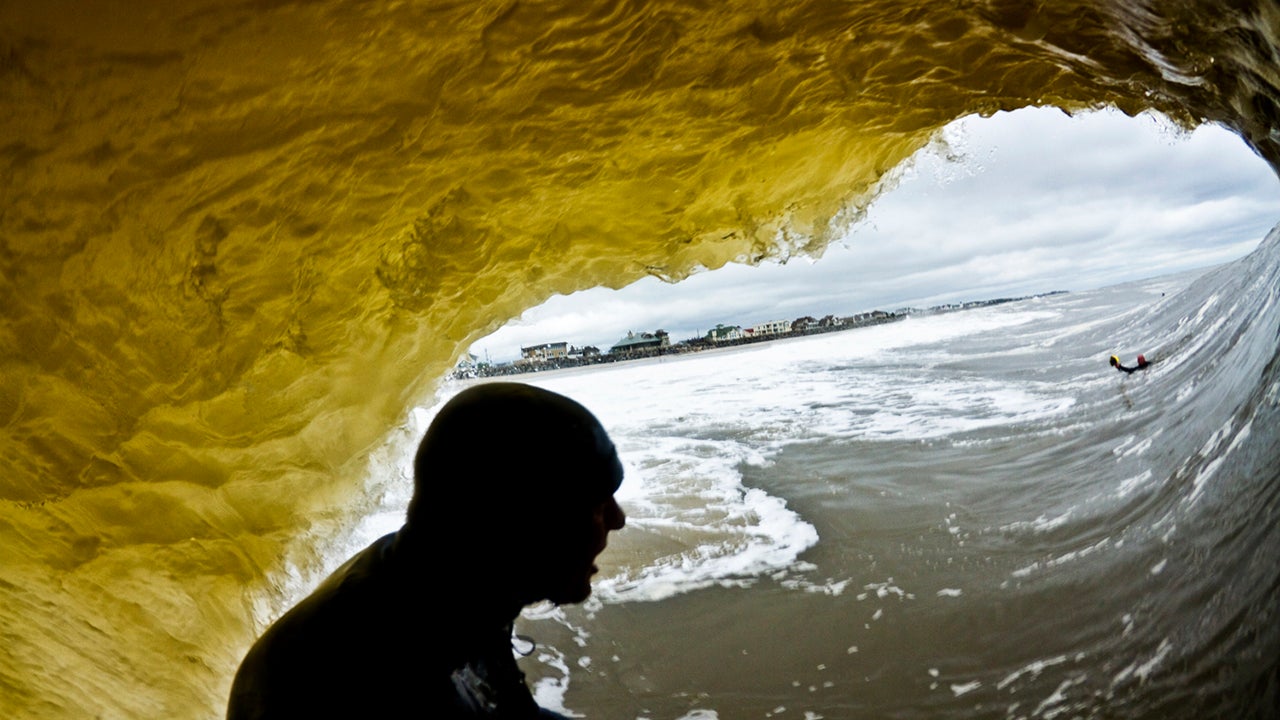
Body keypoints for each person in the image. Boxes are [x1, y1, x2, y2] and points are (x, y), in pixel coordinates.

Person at [227, 382, 627, 719]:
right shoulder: (369, 677)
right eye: (595, 505)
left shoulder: (443, 577)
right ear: (516, 520)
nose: (618, 519)